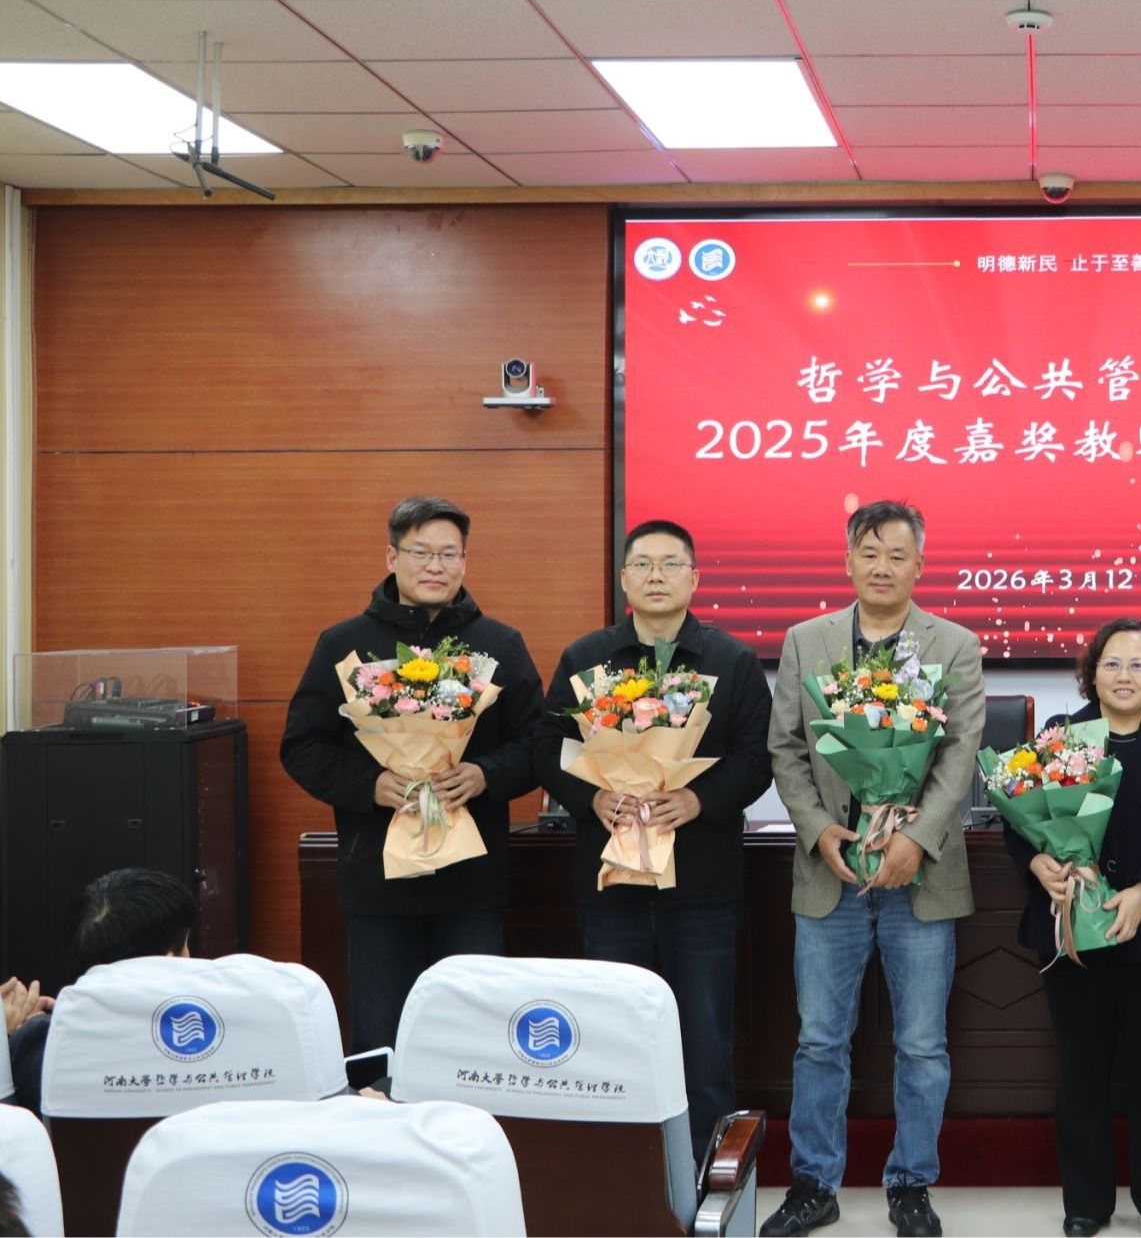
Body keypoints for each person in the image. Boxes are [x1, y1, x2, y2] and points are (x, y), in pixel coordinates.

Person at [762, 501, 986, 1238]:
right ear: (848, 561)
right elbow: (786, 748)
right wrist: (818, 827)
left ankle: (911, 1184)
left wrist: (915, 838)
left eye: (897, 554)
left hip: (919, 878)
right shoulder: (807, 640)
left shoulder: (954, 645)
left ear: (920, 564)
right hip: (829, 872)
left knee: (921, 1043)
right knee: (819, 1039)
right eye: (869, 552)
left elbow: (958, 756)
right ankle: (813, 1183)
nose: (882, 566)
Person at [535, 518, 772, 1166]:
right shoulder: (586, 659)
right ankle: (623, 1173)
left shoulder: (732, 661)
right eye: (643, 564)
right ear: (624, 579)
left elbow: (757, 758)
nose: (657, 576)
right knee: (614, 1037)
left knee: (705, 1040)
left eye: (671, 564)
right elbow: (547, 747)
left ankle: (707, 1178)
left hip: (701, 885)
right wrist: (590, 797)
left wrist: (700, 799)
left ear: (694, 578)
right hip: (611, 884)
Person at [280, 496, 542, 1053]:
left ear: (464, 561)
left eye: (449, 554)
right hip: (377, 881)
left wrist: (485, 774)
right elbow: (303, 745)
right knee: (381, 1038)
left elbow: (538, 743)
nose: (435, 566)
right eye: (421, 552)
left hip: (471, 882)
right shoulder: (344, 645)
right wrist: (368, 785)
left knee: (471, 1039)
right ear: (392, 556)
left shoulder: (500, 645)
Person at [1003, 619, 1141, 1238]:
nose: (1125, 676)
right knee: (1080, 1069)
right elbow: (1018, 819)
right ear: (1092, 673)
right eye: (1112, 664)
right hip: (1074, 924)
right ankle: (1086, 1203)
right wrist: (1037, 864)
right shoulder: (1059, 734)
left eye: (1138, 665)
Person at [7, 866, 198, 1116]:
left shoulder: (39, 1046)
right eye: (187, 946)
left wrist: (8, 1039)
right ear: (168, 962)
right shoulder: (210, 1039)